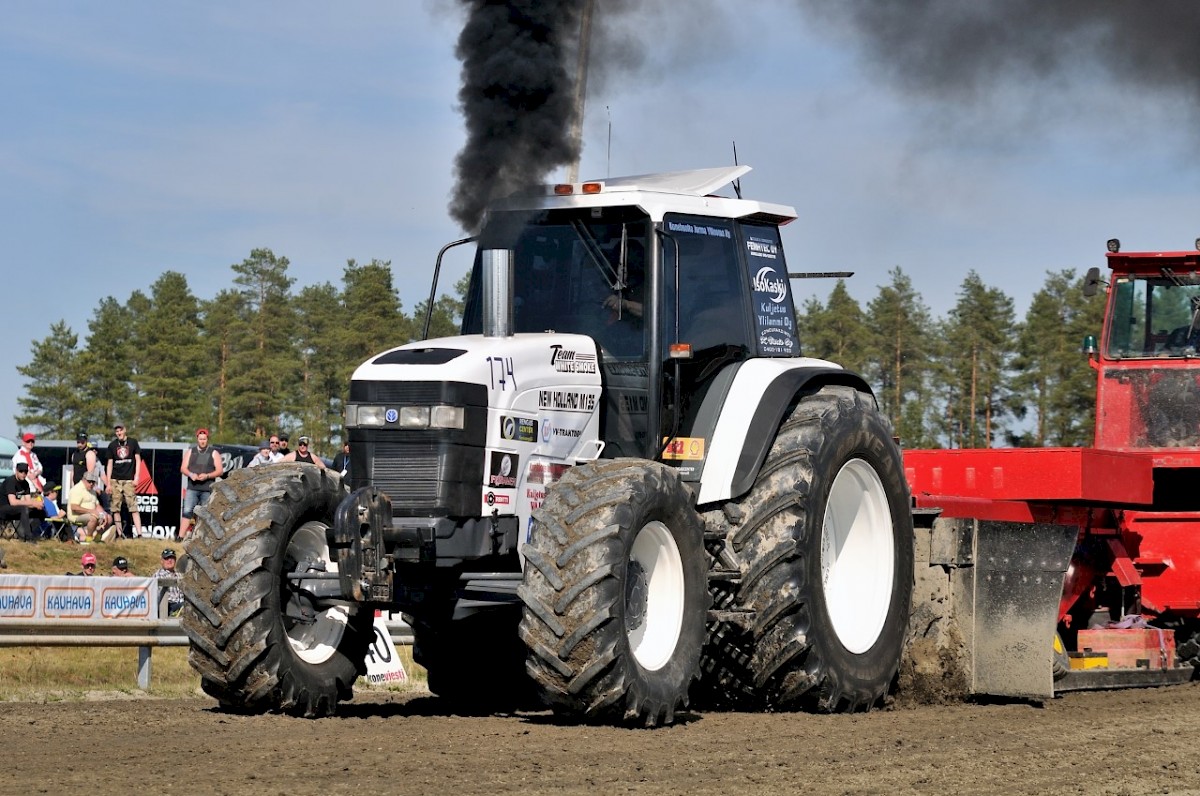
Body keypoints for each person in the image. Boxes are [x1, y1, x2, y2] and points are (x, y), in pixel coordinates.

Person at [179, 428, 223, 539]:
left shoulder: (213, 452)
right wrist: (191, 475)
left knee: (205, 513)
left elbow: (220, 471)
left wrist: (207, 476)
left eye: (204, 439)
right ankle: (180, 537)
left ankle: (202, 538)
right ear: (197, 439)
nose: (202, 441)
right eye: (200, 439)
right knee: (187, 511)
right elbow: (183, 468)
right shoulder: (191, 451)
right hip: (192, 488)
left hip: (207, 489)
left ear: (207, 439)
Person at [106, 422, 144, 539]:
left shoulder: (133, 442)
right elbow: (109, 464)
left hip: (128, 480)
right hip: (115, 480)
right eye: (117, 431)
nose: (119, 433)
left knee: (133, 507)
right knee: (115, 508)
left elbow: (138, 460)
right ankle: (119, 533)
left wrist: (136, 477)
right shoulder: (112, 445)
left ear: (125, 430)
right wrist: (108, 483)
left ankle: (139, 534)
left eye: (120, 430)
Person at [0, 462, 46, 542]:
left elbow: (28, 501)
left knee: (41, 512)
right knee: (23, 509)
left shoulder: (25, 484)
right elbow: (13, 502)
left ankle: (27, 533)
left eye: (25, 472)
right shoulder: (11, 481)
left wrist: (36, 505)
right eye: (21, 471)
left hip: (15, 509)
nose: (23, 474)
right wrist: (33, 503)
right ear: (16, 471)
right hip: (3, 508)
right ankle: (29, 539)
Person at [67, 472, 112, 543]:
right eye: (89, 481)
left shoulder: (92, 491)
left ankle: (97, 538)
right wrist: (91, 511)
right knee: (93, 518)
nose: (91, 484)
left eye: (93, 482)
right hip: (77, 516)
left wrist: (103, 514)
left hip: (92, 514)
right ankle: (89, 539)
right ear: (83, 480)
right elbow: (74, 507)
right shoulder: (77, 489)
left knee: (109, 518)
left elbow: (97, 505)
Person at [155, 548, 184, 616]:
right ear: (162, 561)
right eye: (167, 558)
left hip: (181, 605)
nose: (170, 560)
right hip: (167, 607)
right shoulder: (158, 575)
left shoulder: (180, 575)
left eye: (172, 558)